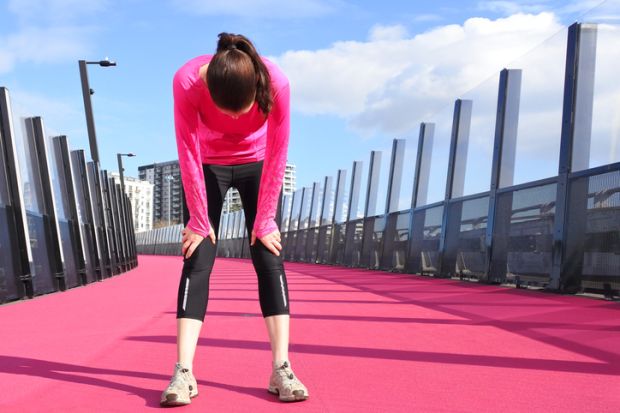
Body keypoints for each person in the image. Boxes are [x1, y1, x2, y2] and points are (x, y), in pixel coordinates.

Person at [160, 32, 309, 406]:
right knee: (197, 256)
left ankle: (281, 367)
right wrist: (197, 218)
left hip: (257, 161)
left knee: (268, 254)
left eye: (239, 113)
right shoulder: (187, 81)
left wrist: (266, 219)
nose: (230, 121)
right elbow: (187, 148)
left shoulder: (277, 83)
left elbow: (278, 148)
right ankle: (183, 371)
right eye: (224, 111)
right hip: (207, 163)